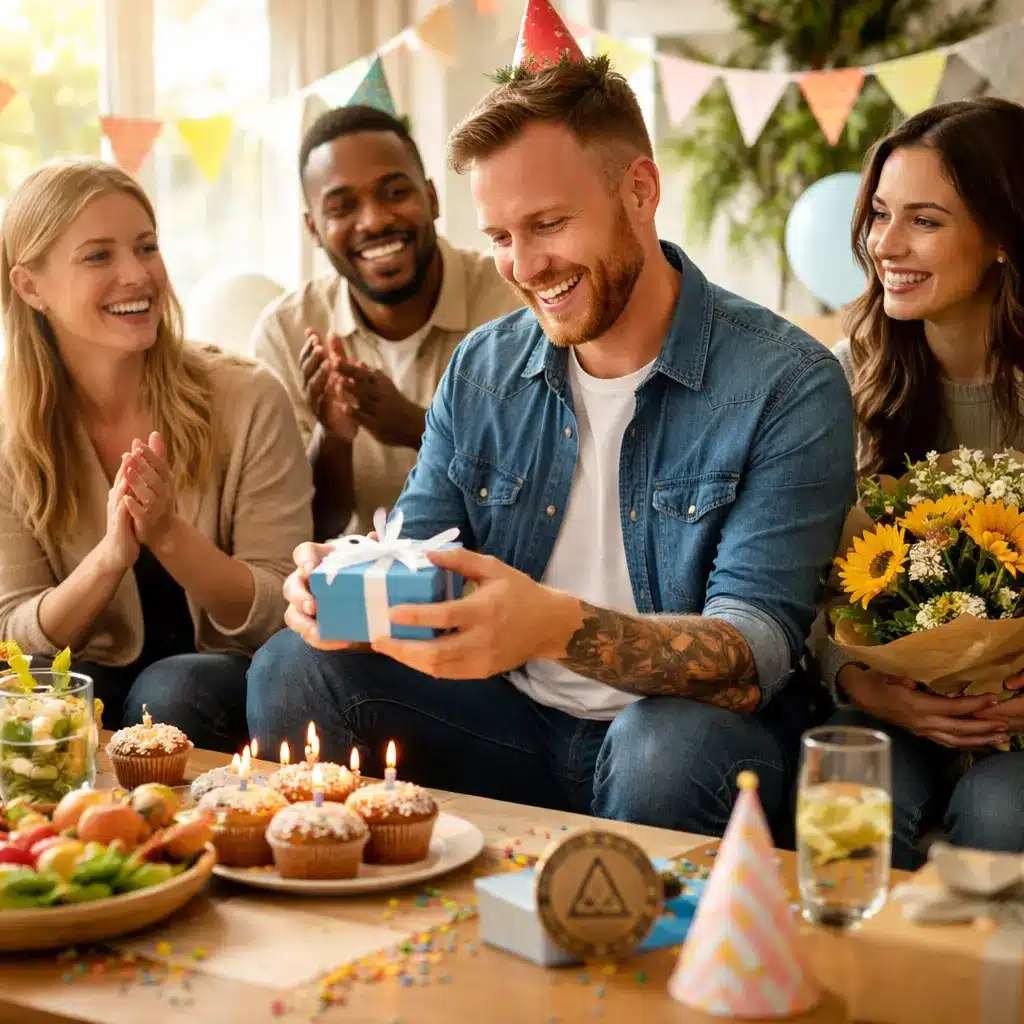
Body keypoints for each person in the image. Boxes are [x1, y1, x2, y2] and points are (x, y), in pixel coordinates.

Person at [247, 42, 853, 837]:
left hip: (687, 741)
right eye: (499, 235)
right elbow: (419, 551)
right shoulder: (485, 366)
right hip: (508, 722)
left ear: (639, 191)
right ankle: (332, 917)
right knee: (292, 664)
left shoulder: (786, 381)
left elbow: (754, 655)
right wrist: (345, 582)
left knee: (660, 744)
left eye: (549, 224)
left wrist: (557, 626)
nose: (524, 266)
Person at [0, 159, 313, 753]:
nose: (137, 274)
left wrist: (169, 535)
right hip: (88, 681)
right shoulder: (11, 439)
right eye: (99, 256)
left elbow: (283, 605)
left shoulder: (248, 398)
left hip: (219, 678)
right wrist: (109, 559)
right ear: (29, 286)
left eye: (146, 247)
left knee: (170, 691)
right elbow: (14, 637)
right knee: (44, 698)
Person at [817, 98, 1024, 869]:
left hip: (1016, 734)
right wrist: (865, 684)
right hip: (880, 711)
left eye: (925, 221)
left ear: (1002, 234)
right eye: (878, 215)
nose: (885, 245)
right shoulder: (837, 384)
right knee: (846, 802)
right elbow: (793, 586)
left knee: (1005, 813)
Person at [251, 104, 521, 541]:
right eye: (341, 207)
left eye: (395, 193)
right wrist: (334, 438)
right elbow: (309, 529)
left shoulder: (512, 299)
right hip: (360, 593)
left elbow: (546, 490)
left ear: (431, 198)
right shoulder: (286, 332)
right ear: (314, 229)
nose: (374, 220)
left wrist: (419, 426)